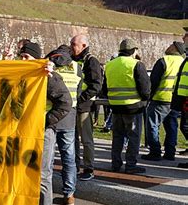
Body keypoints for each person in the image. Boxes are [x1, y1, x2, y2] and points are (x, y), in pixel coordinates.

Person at [20, 43, 72, 205]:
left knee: (42, 175)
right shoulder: (23, 75)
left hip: (43, 132)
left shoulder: (49, 77)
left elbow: (65, 103)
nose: (22, 60)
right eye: (21, 56)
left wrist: (44, 121)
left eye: (26, 56)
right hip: (24, 131)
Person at [104, 39, 150, 174]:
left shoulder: (110, 65)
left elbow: (104, 87)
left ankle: (115, 164)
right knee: (133, 137)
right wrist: (145, 100)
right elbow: (145, 88)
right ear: (134, 50)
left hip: (116, 106)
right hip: (133, 107)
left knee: (117, 136)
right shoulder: (136, 64)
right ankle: (130, 165)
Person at [46, 44, 82, 205]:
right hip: (69, 116)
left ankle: (47, 193)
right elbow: (79, 90)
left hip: (50, 117)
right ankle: (69, 194)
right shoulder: (77, 67)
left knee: (49, 159)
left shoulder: (48, 64)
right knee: (69, 158)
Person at [141, 42, 185, 161]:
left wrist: (149, 96)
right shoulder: (183, 62)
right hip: (175, 100)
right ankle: (170, 152)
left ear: (175, 49)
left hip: (160, 98)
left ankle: (155, 151)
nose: (168, 46)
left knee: (152, 125)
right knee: (172, 126)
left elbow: (153, 81)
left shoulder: (163, 60)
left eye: (171, 45)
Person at [70, 34, 103, 181]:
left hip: (83, 106)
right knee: (72, 139)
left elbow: (96, 85)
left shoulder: (91, 61)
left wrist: (80, 98)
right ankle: (74, 166)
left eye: (74, 44)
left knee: (86, 139)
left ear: (83, 45)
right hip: (72, 106)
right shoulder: (72, 60)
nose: (71, 47)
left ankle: (89, 168)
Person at [171, 47, 188, 168]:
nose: (183, 38)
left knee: (185, 126)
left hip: (186, 99)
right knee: (185, 126)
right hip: (184, 99)